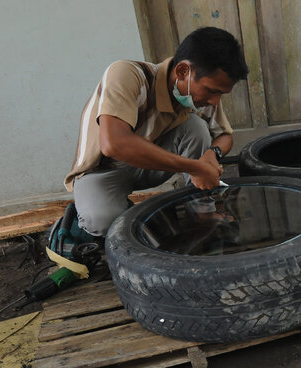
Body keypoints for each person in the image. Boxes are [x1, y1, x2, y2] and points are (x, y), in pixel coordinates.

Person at [63, 26, 248, 237]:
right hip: (102, 170)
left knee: (196, 128)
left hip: (148, 168)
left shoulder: (200, 93)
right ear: (182, 71)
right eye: (212, 91)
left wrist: (210, 155)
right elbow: (114, 144)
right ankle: (98, 214)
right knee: (105, 220)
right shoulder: (127, 74)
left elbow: (224, 135)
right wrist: (195, 167)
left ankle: (202, 211)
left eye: (221, 94)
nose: (215, 101)